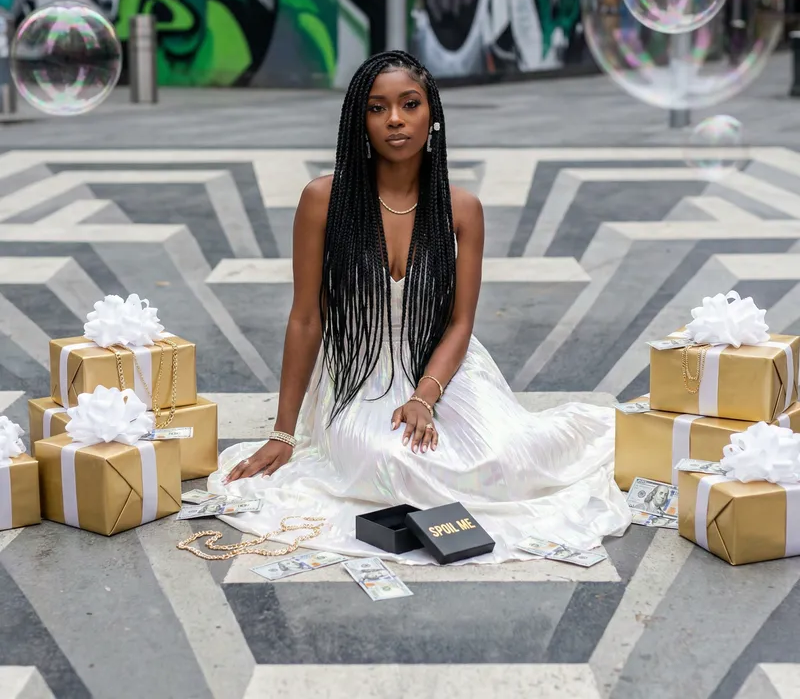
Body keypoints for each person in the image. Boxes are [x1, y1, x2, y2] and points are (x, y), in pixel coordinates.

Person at [208, 50, 630, 563]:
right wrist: (283, 432)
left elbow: (460, 322)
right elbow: (305, 318)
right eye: (377, 107)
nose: (395, 120)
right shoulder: (323, 199)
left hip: (444, 367)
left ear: (431, 115)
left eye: (409, 104)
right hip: (359, 368)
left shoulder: (462, 208)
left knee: (503, 458)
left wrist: (425, 396)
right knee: (390, 460)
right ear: (358, 121)